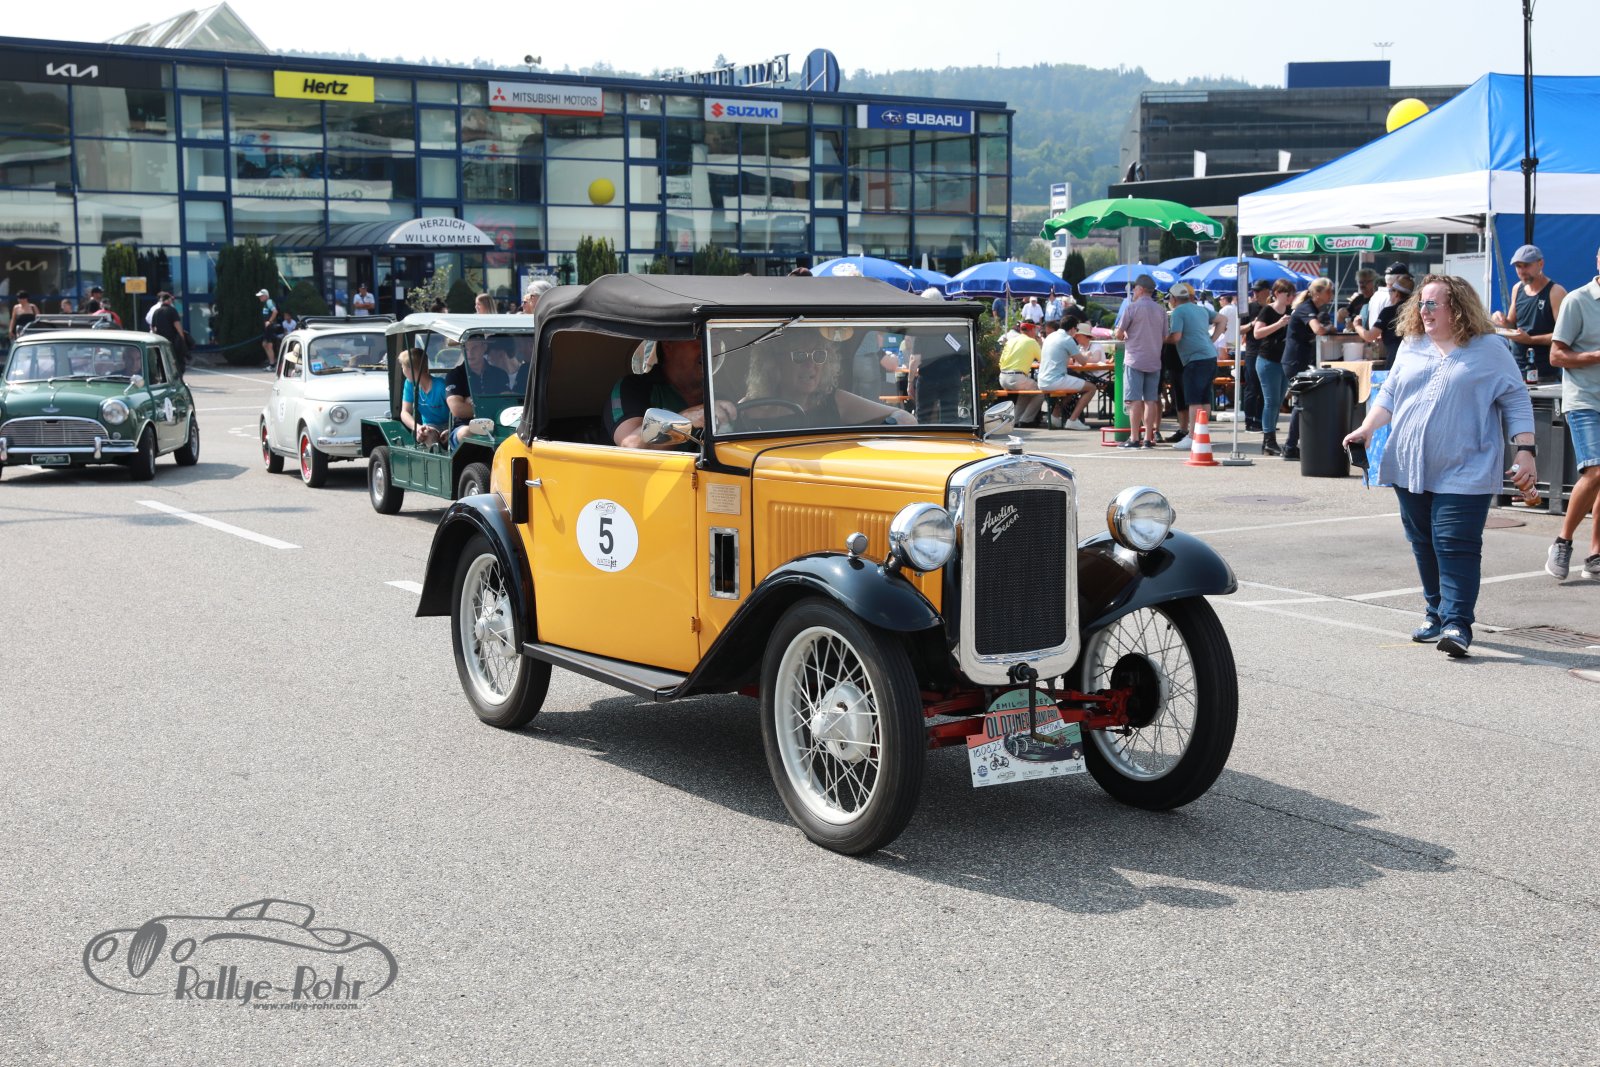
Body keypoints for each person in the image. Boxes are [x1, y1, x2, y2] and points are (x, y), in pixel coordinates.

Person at [1342, 275, 1536, 657]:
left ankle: (1457, 624)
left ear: (1457, 308)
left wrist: (1525, 450)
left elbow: (1516, 399)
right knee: (1423, 542)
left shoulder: (1490, 348)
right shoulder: (1412, 344)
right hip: (1410, 462)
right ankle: (1435, 613)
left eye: (1433, 304)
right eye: (1421, 304)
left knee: (1455, 543)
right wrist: (1366, 428)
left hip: (1467, 464)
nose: (1424, 311)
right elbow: (1390, 393)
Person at [1543, 242, 1600, 581]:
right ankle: (1562, 541)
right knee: (1596, 471)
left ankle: (1595, 555)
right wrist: (1597, 355)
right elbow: (1556, 356)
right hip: (1585, 400)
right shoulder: (1577, 300)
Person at [740, 340, 917, 429]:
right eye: (799, 356)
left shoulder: (835, 401)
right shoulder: (749, 408)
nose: (810, 364)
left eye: (818, 356)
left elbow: (905, 418)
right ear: (774, 363)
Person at [605, 339, 733, 449]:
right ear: (667, 345)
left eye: (715, 340)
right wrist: (686, 419)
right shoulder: (635, 387)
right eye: (701, 339)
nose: (712, 348)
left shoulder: (720, 400)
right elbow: (631, 445)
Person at [1490, 244, 1566, 383]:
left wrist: (1530, 340)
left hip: (1545, 373)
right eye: (1518, 266)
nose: (1522, 271)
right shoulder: (1517, 288)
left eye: (1526, 266)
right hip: (1516, 371)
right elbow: (1511, 325)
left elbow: (1564, 336)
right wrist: (1500, 320)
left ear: (1540, 264)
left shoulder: (1555, 292)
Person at [1281, 277, 1335, 460]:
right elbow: (1318, 330)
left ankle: (1295, 444)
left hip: (1299, 359)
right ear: (1317, 293)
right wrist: (1329, 328)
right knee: (1301, 402)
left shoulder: (1312, 308)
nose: (1331, 295)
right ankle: (1290, 446)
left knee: (1303, 402)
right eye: (1328, 291)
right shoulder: (1306, 308)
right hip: (1295, 360)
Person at [1114, 274, 1168, 449]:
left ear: (1141, 289)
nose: (1134, 292)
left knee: (1134, 400)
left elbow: (1118, 334)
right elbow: (1165, 336)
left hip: (1135, 359)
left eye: (1135, 289)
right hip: (1154, 359)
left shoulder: (1132, 308)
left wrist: (1124, 333)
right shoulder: (1161, 310)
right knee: (1151, 400)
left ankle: (1134, 437)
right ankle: (1148, 438)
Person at [1164, 282, 1218, 449]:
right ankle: (1202, 433)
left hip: (1195, 359)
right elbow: (1222, 319)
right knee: (1204, 398)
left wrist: (1162, 339)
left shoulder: (1178, 311)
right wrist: (1212, 339)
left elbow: (1176, 337)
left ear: (1173, 299)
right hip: (1210, 356)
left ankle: (1192, 436)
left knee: (1194, 399)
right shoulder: (1201, 309)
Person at [1251, 280, 1295, 455]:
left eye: (1292, 294)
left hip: (1283, 361)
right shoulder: (1267, 310)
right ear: (1277, 293)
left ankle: (1268, 442)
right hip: (1267, 360)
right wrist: (1279, 324)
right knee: (1271, 401)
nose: (1290, 297)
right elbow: (1257, 333)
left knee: (1278, 401)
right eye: (1288, 294)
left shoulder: (1290, 311)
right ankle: (1269, 440)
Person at [1036, 321, 1098, 430]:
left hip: (1042, 380)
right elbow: (1083, 362)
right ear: (1072, 329)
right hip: (1055, 380)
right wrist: (1086, 355)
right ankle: (1073, 420)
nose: (1076, 333)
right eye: (1076, 330)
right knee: (1092, 388)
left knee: (1071, 390)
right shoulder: (1067, 339)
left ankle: (1055, 417)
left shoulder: (1051, 336)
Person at [445, 336, 511, 427]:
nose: (470, 353)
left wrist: (472, 403)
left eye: (475, 348)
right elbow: (457, 409)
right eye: (466, 349)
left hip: (496, 423)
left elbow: (507, 403)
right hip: (465, 425)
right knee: (465, 432)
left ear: (484, 347)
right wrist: (493, 405)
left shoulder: (499, 374)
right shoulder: (454, 375)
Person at [1353, 274, 1414, 364]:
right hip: (1414, 360)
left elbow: (1370, 336)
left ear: (1396, 294)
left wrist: (1357, 326)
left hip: (1395, 361)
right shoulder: (1416, 311)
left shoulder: (1388, 311)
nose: (1389, 294)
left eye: (1390, 291)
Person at [399, 347, 452, 448]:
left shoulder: (440, 386)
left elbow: (456, 412)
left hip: (449, 425)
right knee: (427, 433)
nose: (402, 369)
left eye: (403, 366)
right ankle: (434, 456)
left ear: (410, 369)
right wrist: (418, 428)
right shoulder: (409, 384)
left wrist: (451, 429)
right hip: (430, 426)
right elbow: (405, 412)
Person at [997, 319, 1045, 426]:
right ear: (1032, 329)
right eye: (1035, 330)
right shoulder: (1031, 342)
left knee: (1026, 393)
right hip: (1017, 378)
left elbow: (1000, 362)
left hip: (1003, 378)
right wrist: (1040, 344)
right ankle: (1026, 420)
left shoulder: (1011, 341)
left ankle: (1016, 419)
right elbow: (1044, 360)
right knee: (1040, 393)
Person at [1238, 278, 1271, 432]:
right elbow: (1239, 330)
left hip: (1269, 352)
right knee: (1252, 387)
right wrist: (1253, 323)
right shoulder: (1250, 308)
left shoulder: (1272, 308)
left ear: (1267, 291)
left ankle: (1261, 421)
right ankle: (1249, 421)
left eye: (1258, 291)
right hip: (1252, 352)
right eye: (1254, 291)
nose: (1255, 294)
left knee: (1266, 389)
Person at [149, 291, 189, 374]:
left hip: (161, 341)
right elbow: (177, 324)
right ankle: (176, 376)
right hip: (172, 341)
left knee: (162, 359)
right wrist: (182, 337)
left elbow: (153, 327)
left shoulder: (157, 311)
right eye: (171, 299)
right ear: (169, 300)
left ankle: (162, 375)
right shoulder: (172, 310)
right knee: (175, 360)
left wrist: (157, 336)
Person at [256, 289, 281, 370]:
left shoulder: (269, 302)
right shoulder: (265, 303)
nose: (260, 297)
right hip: (267, 328)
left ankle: (272, 365)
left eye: (261, 296)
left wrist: (269, 321)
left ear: (266, 296)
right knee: (266, 344)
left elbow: (275, 311)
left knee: (268, 345)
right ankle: (272, 364)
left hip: (270, 327)